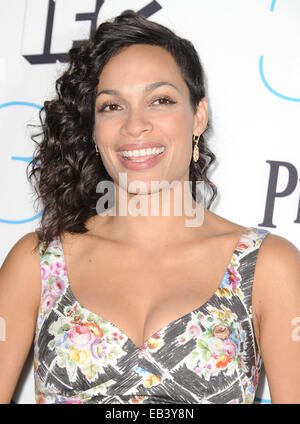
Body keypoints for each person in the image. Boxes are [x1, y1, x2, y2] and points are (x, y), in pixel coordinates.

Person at [0, 11, 300, 405]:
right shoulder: (37, 263)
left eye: (160, 100)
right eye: (111, 106)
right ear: (92, 128)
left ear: (198, 117)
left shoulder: (266, 267)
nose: (134, 125)